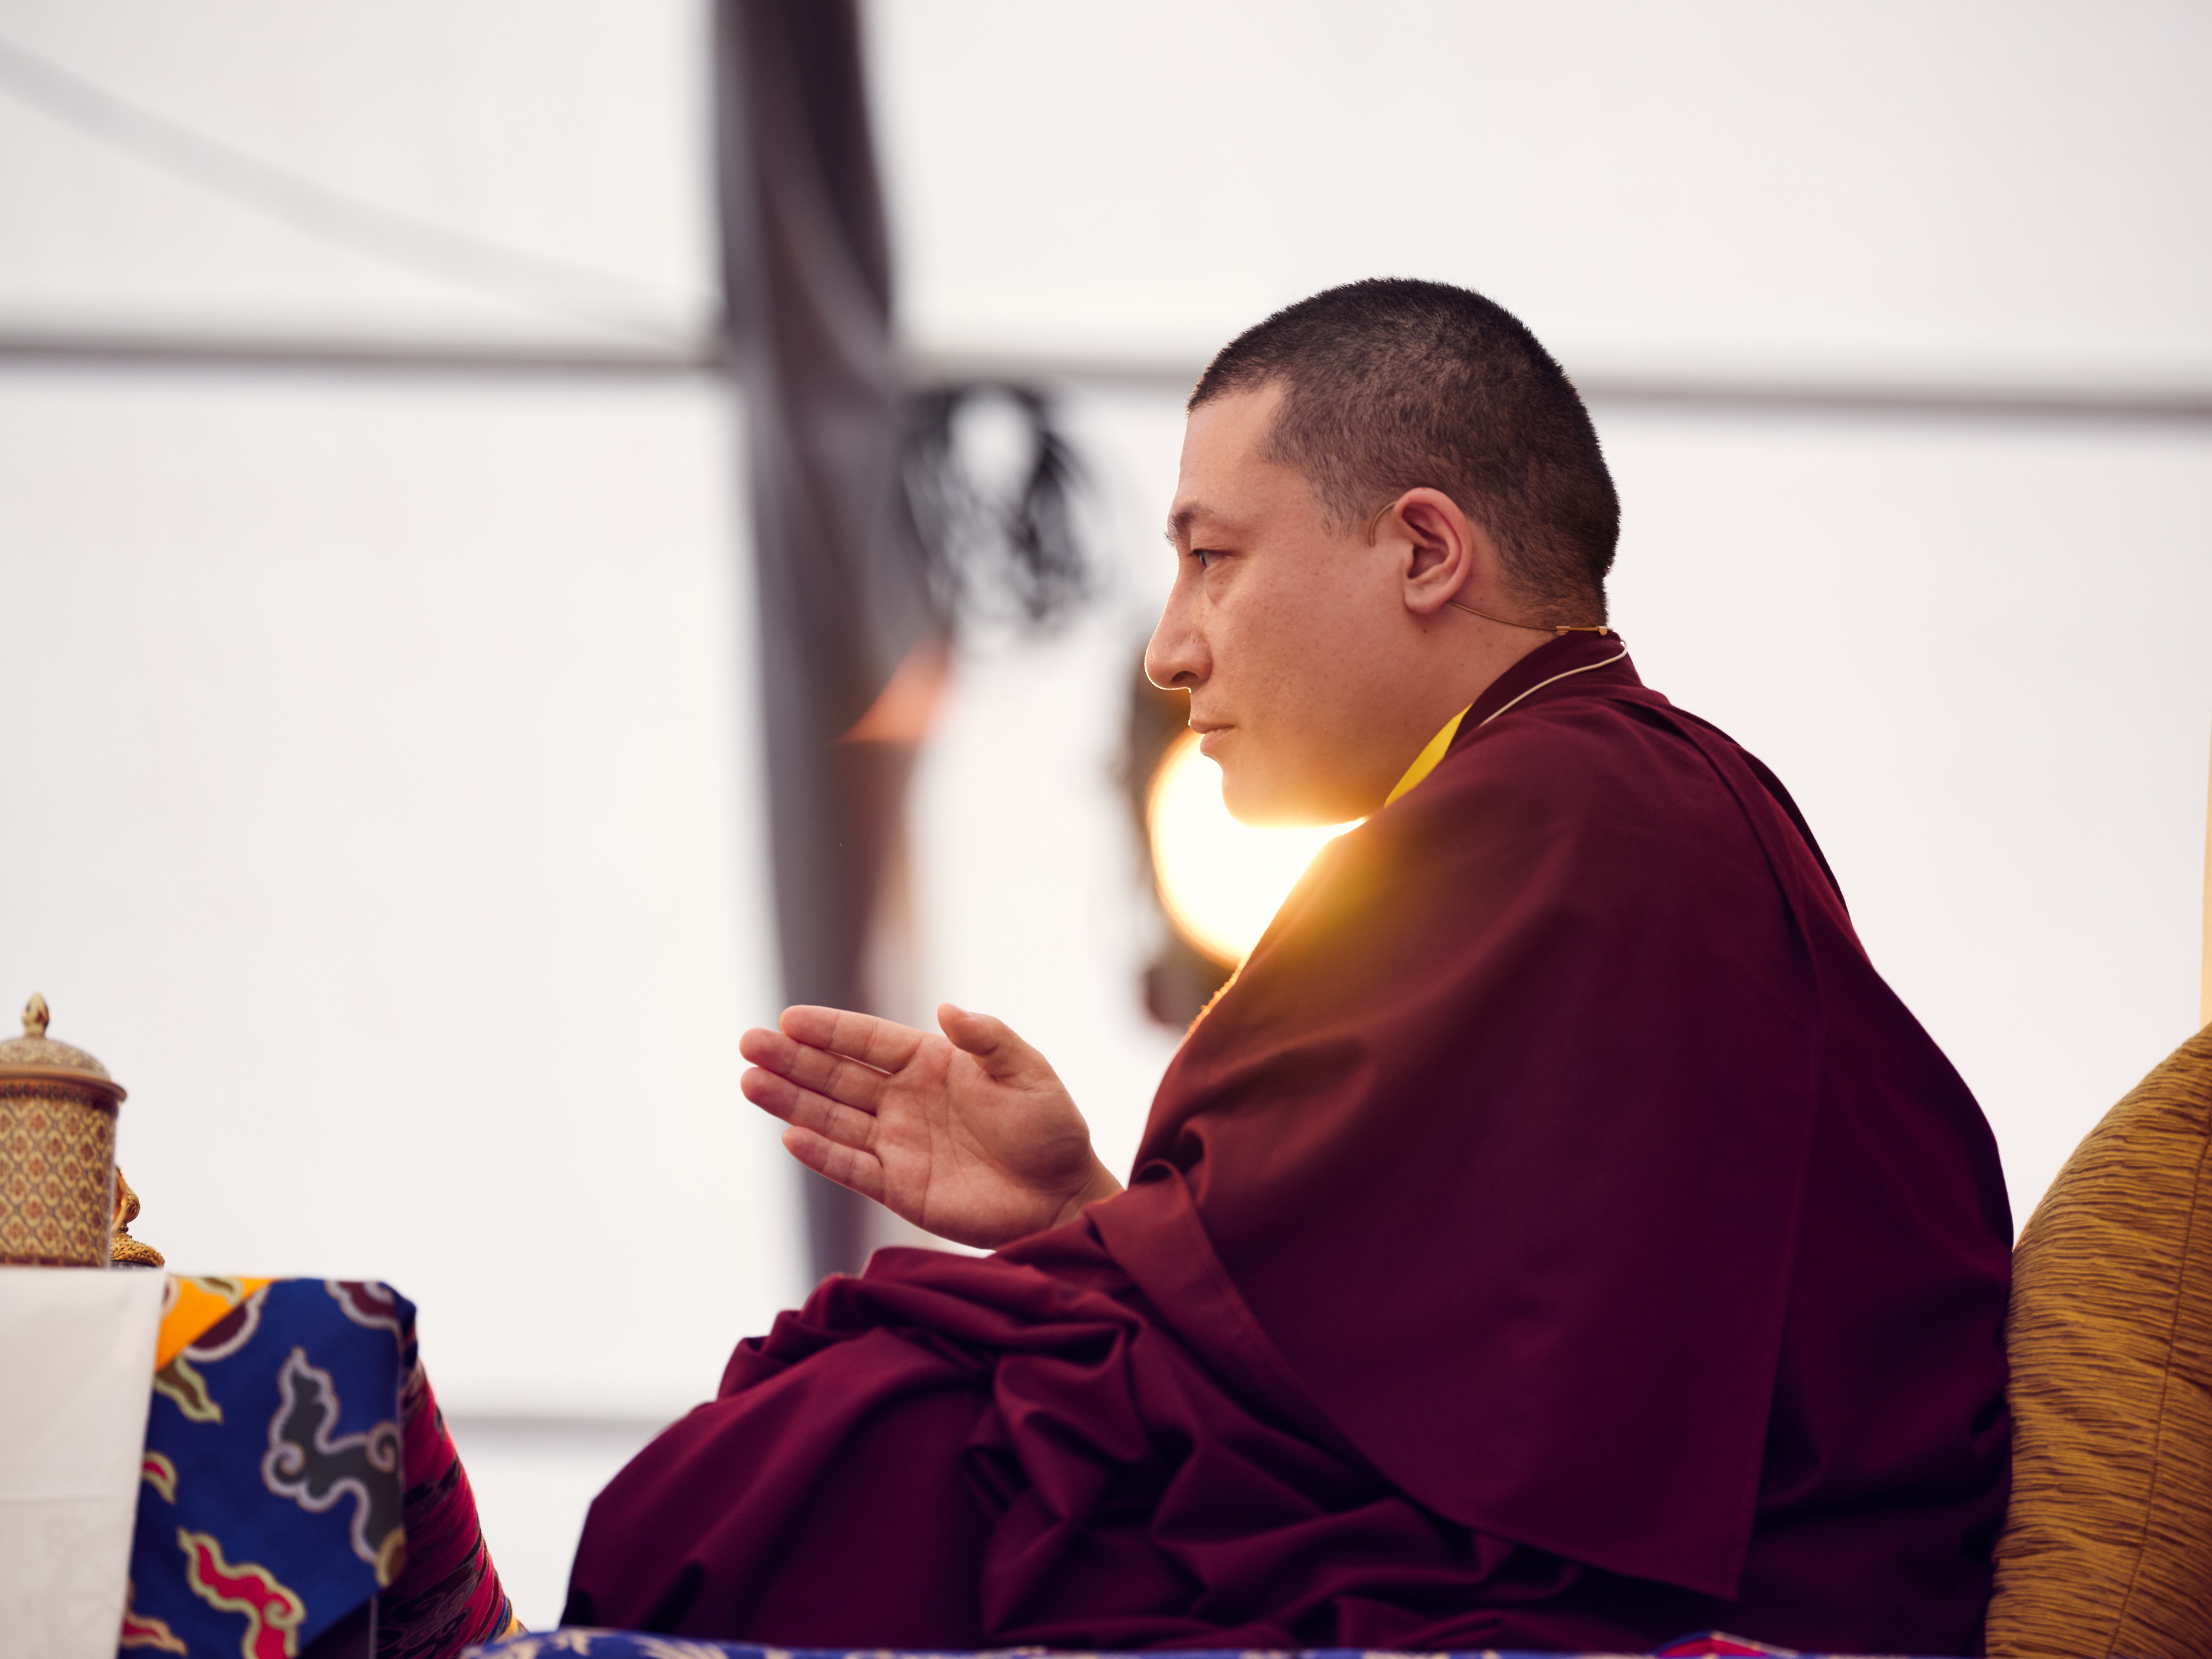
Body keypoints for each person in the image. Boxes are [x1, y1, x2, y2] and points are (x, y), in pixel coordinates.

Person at [565, 279, 2011, 1654]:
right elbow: (1465, 1352)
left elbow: (1513, 1453)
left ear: (1425, 550)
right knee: (867, 1429)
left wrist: (1112, 1264)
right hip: (1659, 1550)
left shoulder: (1564, 811)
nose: (1168, 649)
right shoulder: (1611, 794)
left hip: (1696, 1590)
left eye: (1211, 558)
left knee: (838, 1454)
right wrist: (1086, 1215)